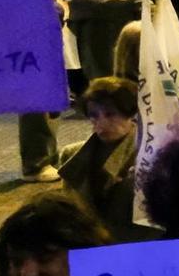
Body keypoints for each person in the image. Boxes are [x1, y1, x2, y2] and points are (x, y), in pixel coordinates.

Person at [56, 77, 145, 242]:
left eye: (111, 114)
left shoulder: (148, 154)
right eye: (94, 116)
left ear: (130, 114)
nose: (101, 123)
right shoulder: (72, 155)